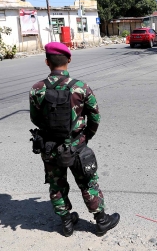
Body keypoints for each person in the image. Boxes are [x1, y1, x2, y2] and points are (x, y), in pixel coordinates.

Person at [29, 42, 120, 237]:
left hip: (50, 147)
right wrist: (86, 137)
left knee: (56, 185)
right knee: (88, 183)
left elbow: (35, 119)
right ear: (69, 60)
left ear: (47, 62)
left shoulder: (37, 89)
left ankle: (67, 223)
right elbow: (95, 117)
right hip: (76, 146)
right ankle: (102, 221)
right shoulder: (80, 87)